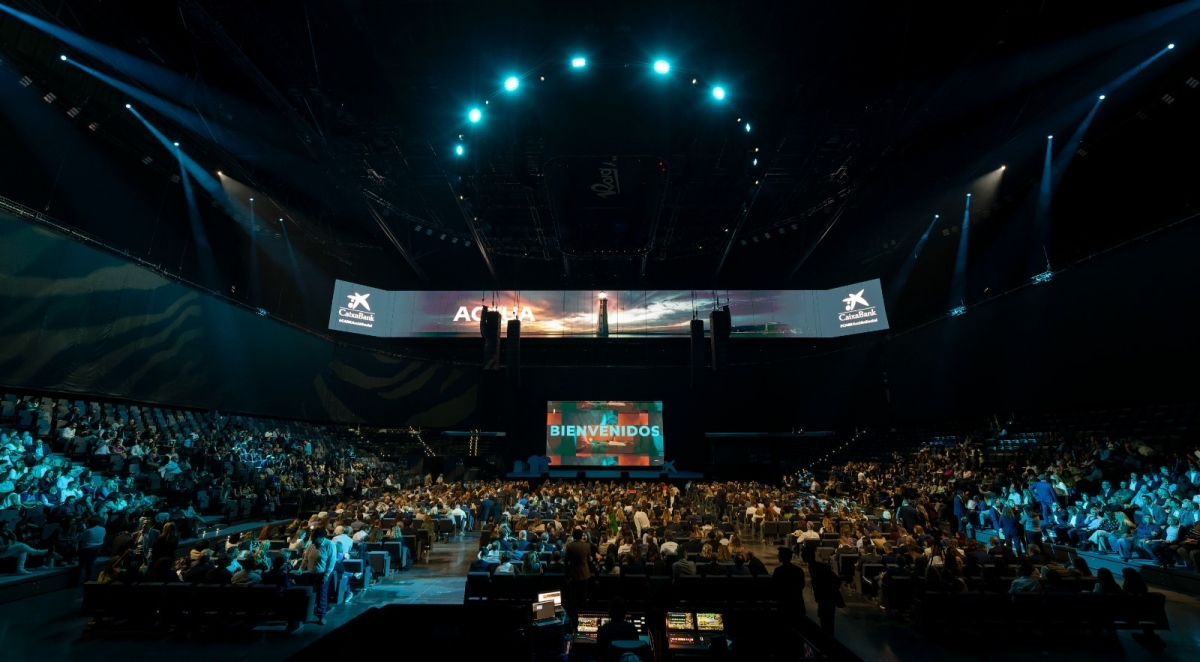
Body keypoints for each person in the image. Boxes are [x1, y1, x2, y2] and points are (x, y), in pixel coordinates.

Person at [302, 526, 337, 625]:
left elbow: (331, 561)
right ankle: (308, 613)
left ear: (320, 537)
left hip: (323, 574)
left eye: (313, 538)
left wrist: (326, 574)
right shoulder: (311, 545)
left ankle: (321, 615)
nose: (312, 540)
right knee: (310, 594)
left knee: (322, 594)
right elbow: (305, 559)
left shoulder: (330, 545)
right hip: (311, 574)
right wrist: (301, 569)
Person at [808, 559, 843, 635]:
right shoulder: (831, 577)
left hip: (825, 601)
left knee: (825, 620)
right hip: (829, 601)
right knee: (829, 622)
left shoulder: (821, 581)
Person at [772, 547, 806, 615]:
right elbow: (802, 585)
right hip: (797, 602)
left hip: (783, 602)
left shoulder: (778, 570)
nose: (778, 556)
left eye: (779, 554)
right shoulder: (799, 570)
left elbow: (774, 585)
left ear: (783, 556)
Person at [564, 528, 592, 608]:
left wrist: (567, 572)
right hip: (584, 573)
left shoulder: (570, 546)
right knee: (583, 595)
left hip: (573, 573)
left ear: (573, 536)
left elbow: (566, 561)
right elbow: (589, 560)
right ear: (581, 536)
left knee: (572, 595)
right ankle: (583, 610)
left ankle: (571, 612)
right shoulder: (587, 545)